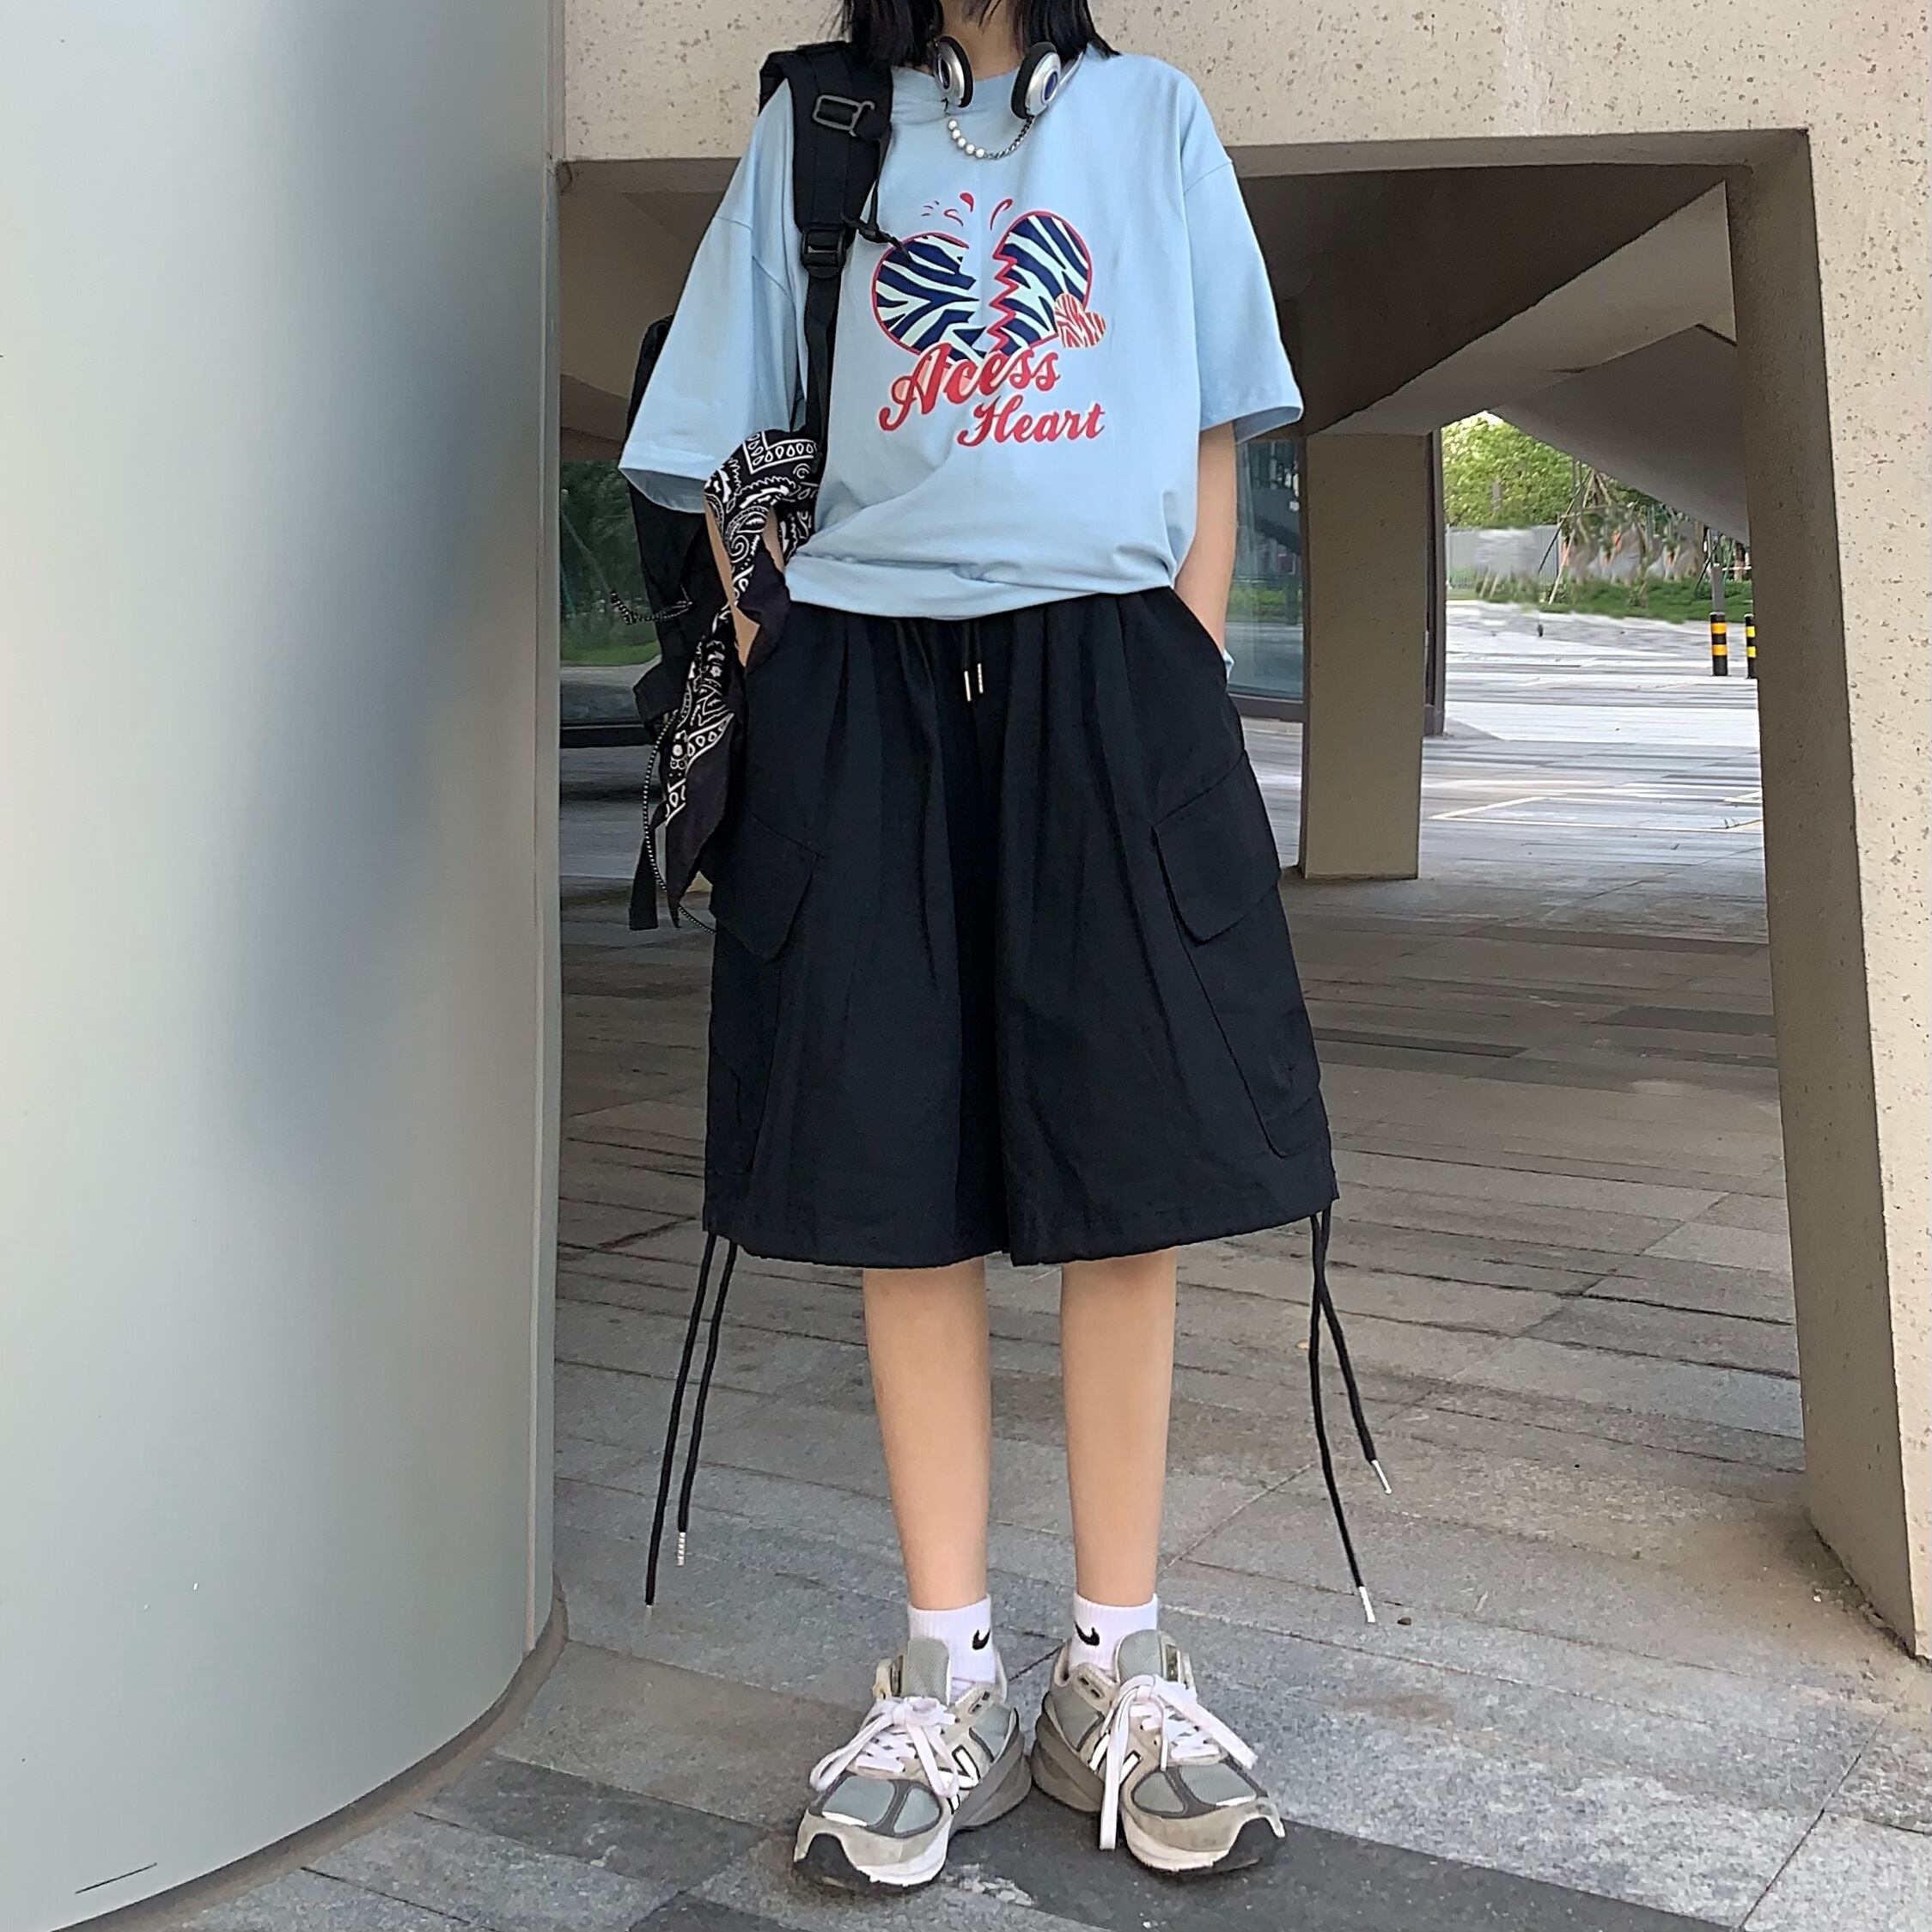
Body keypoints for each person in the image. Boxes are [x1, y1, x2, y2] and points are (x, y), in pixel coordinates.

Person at [623, 0, 1344, 1892]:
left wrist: (1180, 658)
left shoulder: (1153, 120)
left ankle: (1117, 1662)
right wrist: (791, 669)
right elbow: (725, 436)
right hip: (863, 680)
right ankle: (947, 1664)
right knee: (897, 1177)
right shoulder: (820, 128)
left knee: (1131, 1167)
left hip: (1110, 665)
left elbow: (1211, 423)